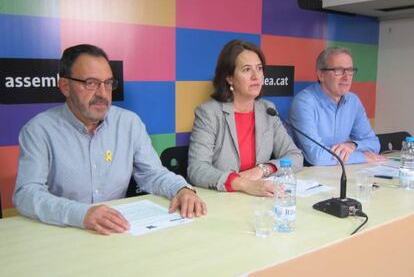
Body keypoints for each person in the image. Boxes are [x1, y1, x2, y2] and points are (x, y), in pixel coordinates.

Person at [13, 44, 207, 235]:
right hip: (63, 232)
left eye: (108, 83)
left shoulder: (128, 123)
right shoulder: (39, 130)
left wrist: (182, 189)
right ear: (65, 86)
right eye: (91, 83)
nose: (102, 93)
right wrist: (81, 214)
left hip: (116, 232)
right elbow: (26, 194)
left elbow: (153, 174)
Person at [187, 40, 303, 197]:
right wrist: (243, 184)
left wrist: (263, 169)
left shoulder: (267, 109)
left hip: (257, 200)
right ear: (229, 78)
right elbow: (197, 169)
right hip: (222, 200)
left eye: (259, 68)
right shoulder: (209, 113)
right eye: (246, 70)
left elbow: (295, 156)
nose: (256, 76)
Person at [288, 46, 386, 166]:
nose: (346, 77)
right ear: (321, 75)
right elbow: (317, 157)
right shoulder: (304, 102)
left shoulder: (353, 100)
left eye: (350, 70)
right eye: (339, 71)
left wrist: (353, 145)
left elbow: (374, 143)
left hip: (341, 171)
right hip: (310, 175)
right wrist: (363, 156)